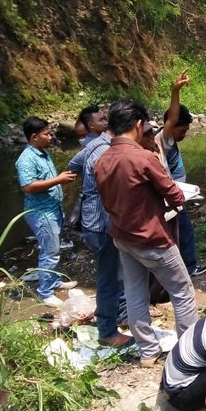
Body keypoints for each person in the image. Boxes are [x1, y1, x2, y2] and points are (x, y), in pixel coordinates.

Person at [95, 99, 199, 367]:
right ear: (138, 125)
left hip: (122, 237)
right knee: (183, 291)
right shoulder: (143, 158)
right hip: (152, 239)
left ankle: (148, 352)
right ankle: (189, 354)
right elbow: (175, 195)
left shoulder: (102, 159)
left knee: (135, 293)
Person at [15, 117, 78, 308]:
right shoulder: (26, 159)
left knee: (54, 249)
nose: (51, 137)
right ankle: (46, 292)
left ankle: (54, 280)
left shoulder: (42, 153)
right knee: (49, 253)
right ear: (34, 137)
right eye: (47, 134)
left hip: (52, 210)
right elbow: (28, 186)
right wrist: (59, 180)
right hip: (41, 213)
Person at [77, 125, 131, 346]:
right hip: (102, 224)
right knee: (110, 277)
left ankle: (114, 318)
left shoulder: (93, 145)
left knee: (111, 274)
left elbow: (73, 165)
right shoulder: (104, 152)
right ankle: (107, 332)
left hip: (94, 222)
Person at [156, 70, 206, 276]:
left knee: (180, 231)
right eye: (181, 130)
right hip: (170, 197)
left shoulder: (171, 143)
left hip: (177, 195)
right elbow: (172, 118)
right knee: (184, 231)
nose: (184, 135)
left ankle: (182, 266)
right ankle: (187, 267)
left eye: (187, 131)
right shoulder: (162, 140)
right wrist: (175, 91)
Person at [67, 105, 108, 174]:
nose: (105, 122)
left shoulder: (104, 139)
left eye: (104, 119)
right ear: (91, 125)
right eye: (101, 120)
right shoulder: (90, 145)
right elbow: (72, 167)